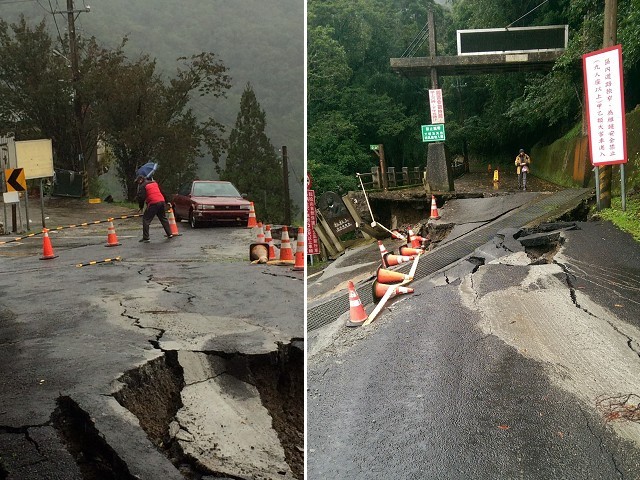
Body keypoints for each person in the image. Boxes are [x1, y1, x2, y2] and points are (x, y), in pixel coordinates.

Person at [136, 175, 174, 242]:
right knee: (163, 218)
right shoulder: (154, 183)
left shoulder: (143, 186)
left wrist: (141, 207)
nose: (138, 183)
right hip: (161, 201)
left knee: (146, 219)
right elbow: (162, 192)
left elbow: (141, 198)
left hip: (153, 203)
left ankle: (146, 238)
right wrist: (167, 201)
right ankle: (169, 234)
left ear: (140, 180)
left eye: (138, 182)